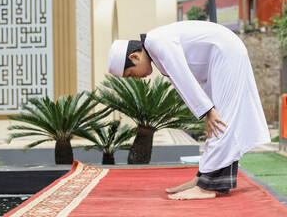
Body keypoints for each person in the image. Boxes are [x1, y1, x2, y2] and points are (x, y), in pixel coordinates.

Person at [107, 20, 271, 200]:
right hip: (217, 60)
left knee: (221, 122)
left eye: (131, 74)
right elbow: (181, 83)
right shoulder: (155, 48)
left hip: (225, 54)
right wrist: (207, 109)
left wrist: (209, 110)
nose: (136, 79)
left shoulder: (156, 42)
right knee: (216, 126)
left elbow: (183, 76)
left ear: (134, 58)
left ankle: (206, 187)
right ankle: (202, 179)